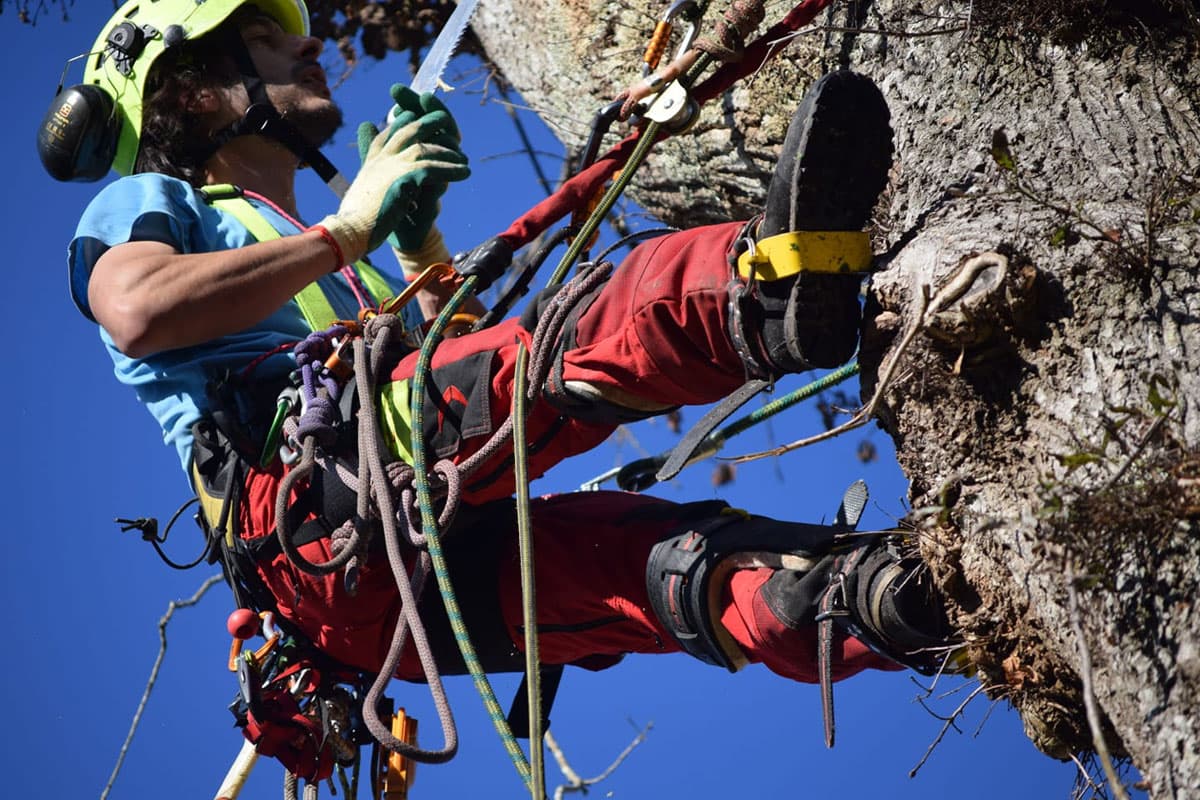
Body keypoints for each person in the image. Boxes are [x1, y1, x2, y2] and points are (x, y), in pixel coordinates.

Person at [49, 0, 960, 780]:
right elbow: (133, 309)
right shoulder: (157, 202)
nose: (309, 43)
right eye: (265, 34)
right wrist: (350, 231)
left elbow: (456, 366)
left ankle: (894, 599)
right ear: (193, 86)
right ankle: (765, 289)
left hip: (371, 585)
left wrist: (417, 252)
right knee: (569, 343)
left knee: (651, 569)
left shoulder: (293, 249)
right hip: (309, 499)